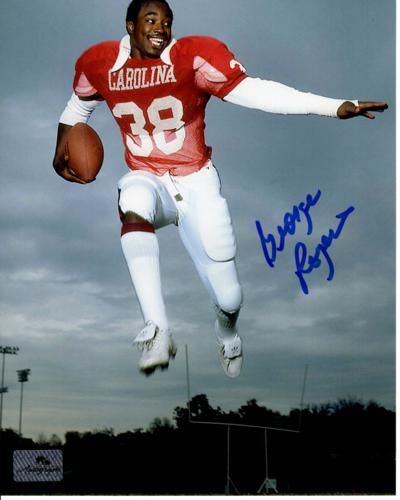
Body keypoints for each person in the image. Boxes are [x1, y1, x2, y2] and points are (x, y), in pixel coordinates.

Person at [52, 0, 387, 378]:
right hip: (150, 178)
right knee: (132, 196)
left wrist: (332, 107)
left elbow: (257, 93)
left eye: (167, 21)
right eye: (151, 20)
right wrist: (59, 148)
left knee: (229, 298)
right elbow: (77, 109)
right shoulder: (100, 63)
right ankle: (157, 329)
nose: (161, 28)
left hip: (197, 183)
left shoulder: (193, 57)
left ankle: (227, 333)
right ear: (130, 26)